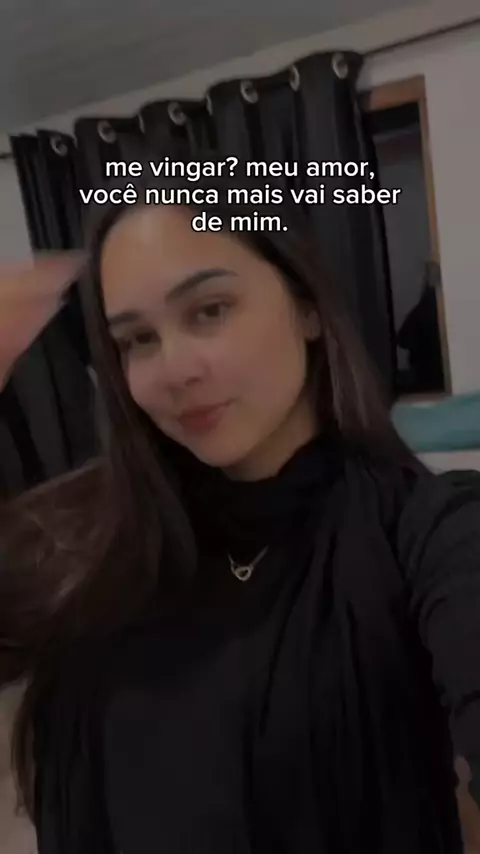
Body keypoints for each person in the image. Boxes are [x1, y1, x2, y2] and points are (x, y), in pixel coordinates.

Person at [0, 162, 480, 854]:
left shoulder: (426, 531)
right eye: (137, 339)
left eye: (210, 310)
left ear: (307, 306)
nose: (174, 370)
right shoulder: (83, 531)